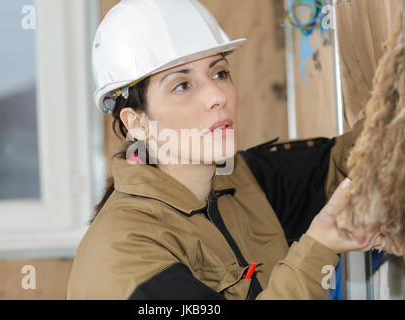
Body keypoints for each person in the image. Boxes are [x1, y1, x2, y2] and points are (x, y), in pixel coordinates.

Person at [66, 0, 383, 300]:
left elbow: (349, 162)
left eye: (219, 73)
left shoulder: (242, 183)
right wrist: (320, 249)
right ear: (136, 122)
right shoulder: (124, 252)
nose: (217, 94)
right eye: (182, 85)